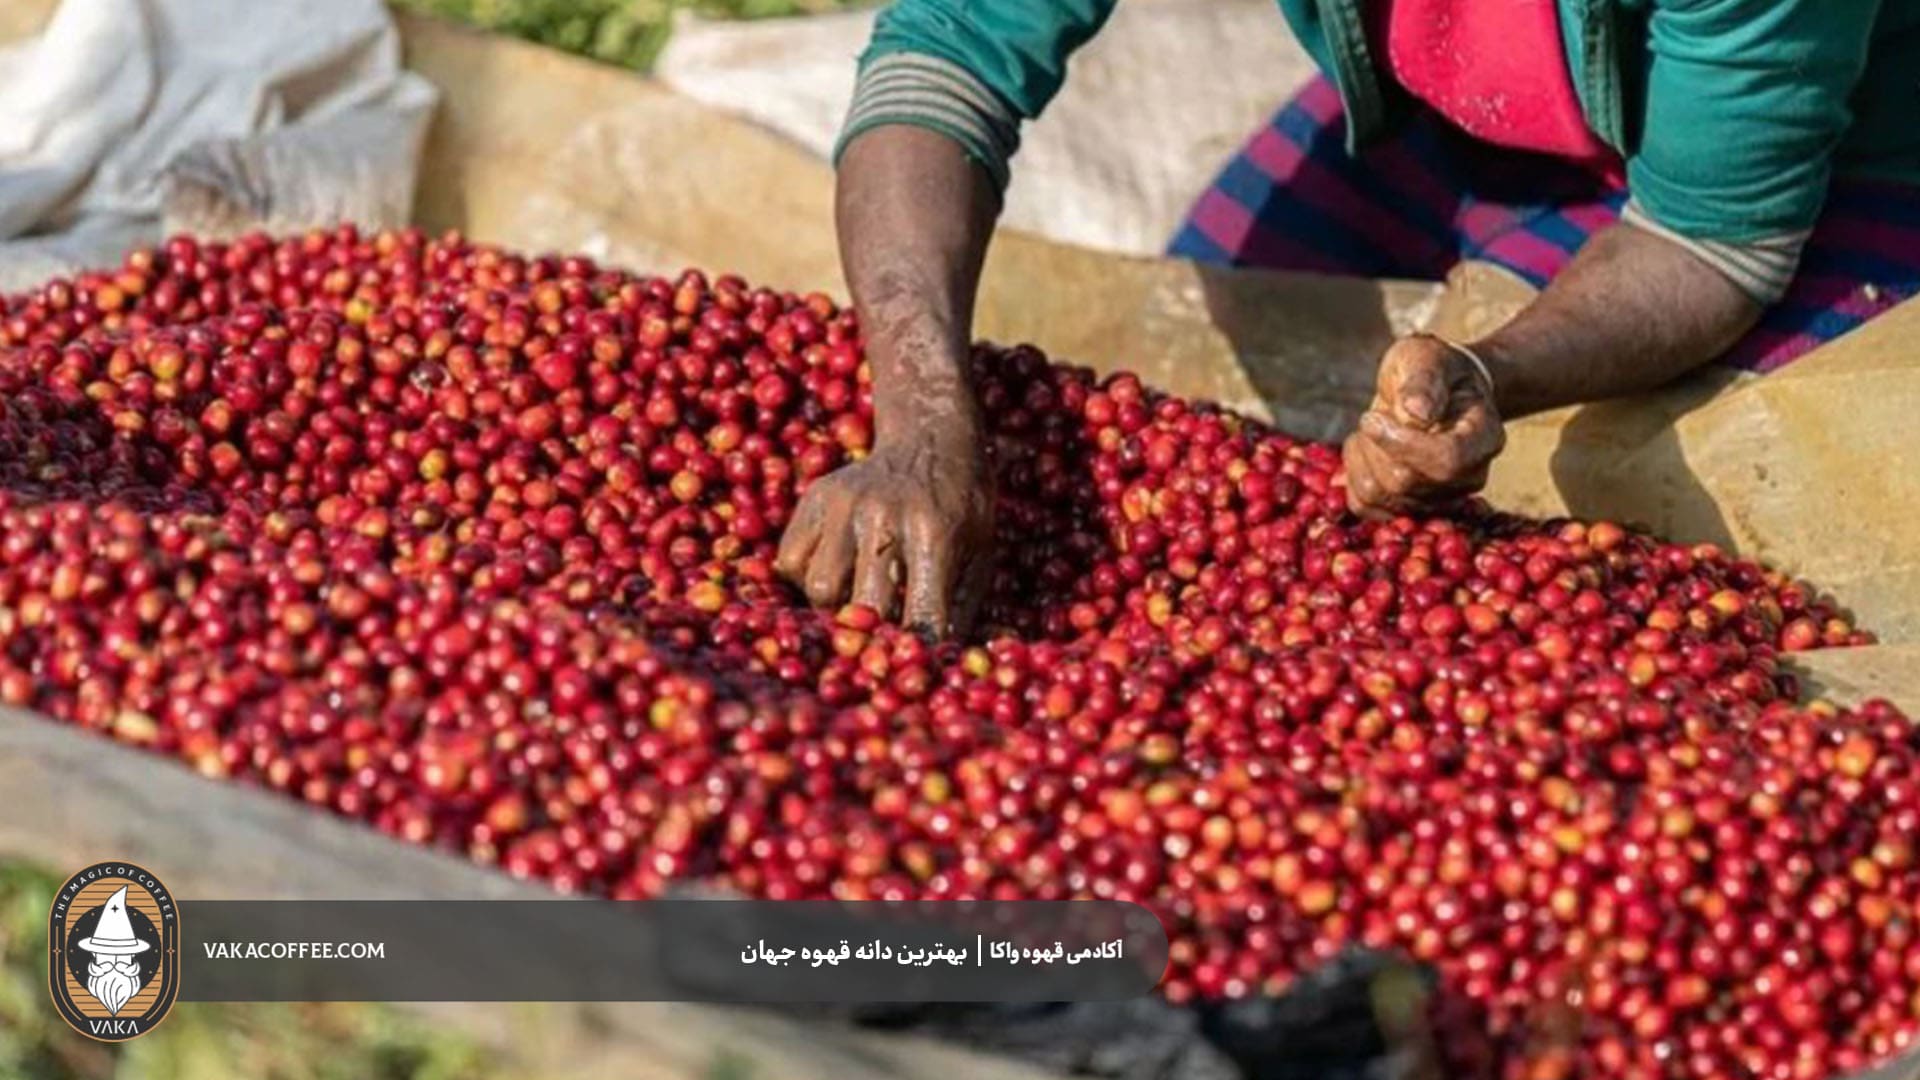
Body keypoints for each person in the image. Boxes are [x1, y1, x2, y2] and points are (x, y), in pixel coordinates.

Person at [775, 0, 1920, 637]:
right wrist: (923, 418)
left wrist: (1493, 370)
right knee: (1215, 402)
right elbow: (943, 57)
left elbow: (1712, 238)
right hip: (1457, 107)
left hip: (1827, 159)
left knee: (1617, 528)